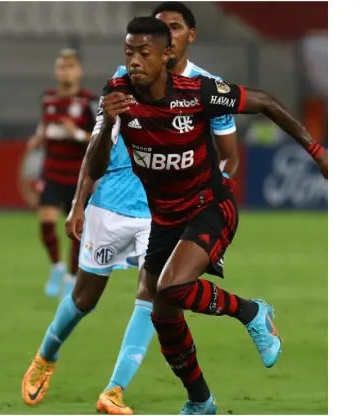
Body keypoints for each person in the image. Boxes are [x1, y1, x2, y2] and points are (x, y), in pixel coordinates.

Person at [95, 17, 327, 415]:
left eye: (143, 53)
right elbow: (98, 164)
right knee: (165, 317)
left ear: (166, 55)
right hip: (165, 221)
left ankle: (252, 311)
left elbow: (267, 102)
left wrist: (318, 153)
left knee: (170, 289)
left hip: (210, 208)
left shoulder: (198, 92)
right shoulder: (117, 94)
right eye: (128, 52)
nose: (133, 61)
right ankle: (200, 401)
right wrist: (107, 125)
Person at [21, 3, 241, 414]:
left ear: (188, 35)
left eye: (175, 28)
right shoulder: (123, 82)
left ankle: (114, 390)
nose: (168, 36)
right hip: (111, 203)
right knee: (85, 297)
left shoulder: (209, 88)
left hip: (164, 213)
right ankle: (46, 354)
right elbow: (96, 146)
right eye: (162, 30)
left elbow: (229, 156)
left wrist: (211, 203)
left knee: (154, 295)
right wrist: (79, 202)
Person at [23, 48, 99, 298]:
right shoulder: (47, 99)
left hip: (79, 178)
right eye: (62, 67)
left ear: (79, 71)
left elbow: (100, 139)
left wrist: (75, 133)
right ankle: (56, 267)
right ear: (56, 71)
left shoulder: (89, 101)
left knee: (76, 231)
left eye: (70, 67)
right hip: (52, 173)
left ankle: (71, 278)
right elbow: (43, 128)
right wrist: (38, 139)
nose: (65, 71)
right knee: (46, 223)